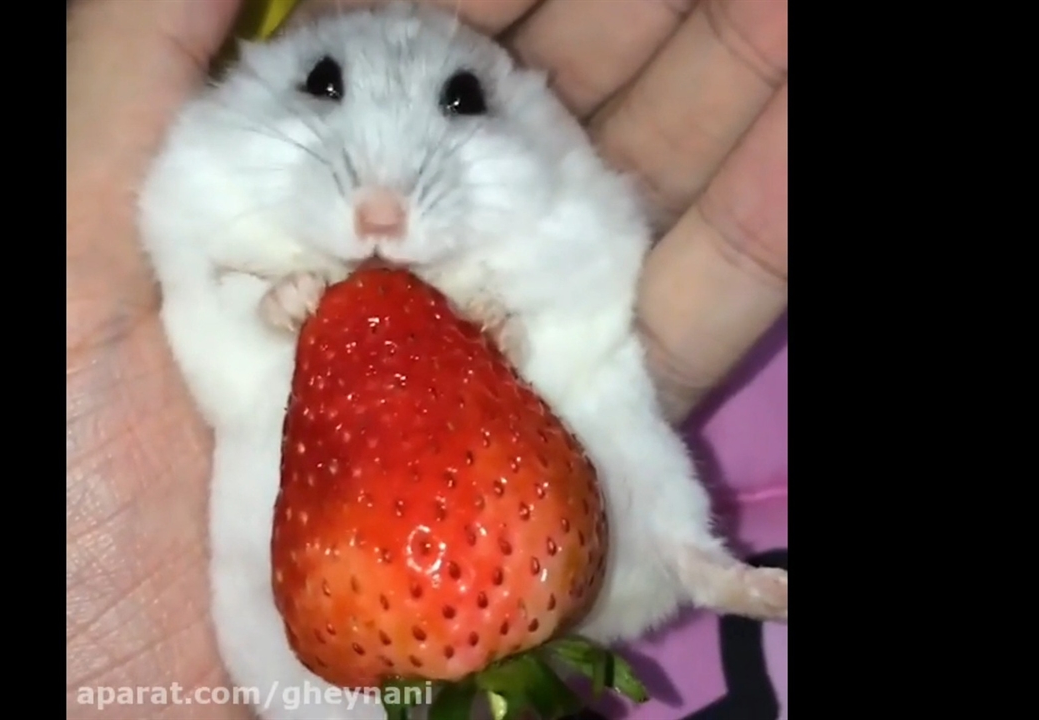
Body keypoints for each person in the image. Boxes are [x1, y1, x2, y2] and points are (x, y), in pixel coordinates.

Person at [65, 0, 786, 717]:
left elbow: (588, 328)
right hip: (307, 624)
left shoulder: (562, 209)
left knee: (611, 403)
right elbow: (220, 358)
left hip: (532, 551)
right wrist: (264, 311)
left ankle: (688, 557)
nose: (381, 211)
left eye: (460, 100)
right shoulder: (212, 188)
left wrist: (514, 330)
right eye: (324, 85)